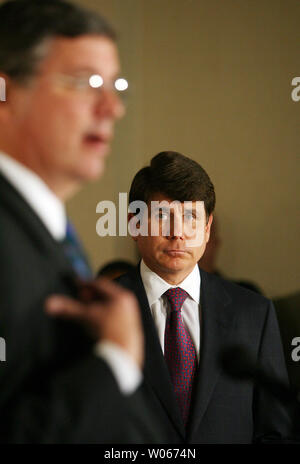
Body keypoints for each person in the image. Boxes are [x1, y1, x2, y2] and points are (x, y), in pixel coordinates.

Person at [0, 0, 158, 444]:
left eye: (116, 87)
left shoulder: (45, 230)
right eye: (87, 82)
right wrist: (116, 360)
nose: (113, 109)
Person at [117, 151, 294, 443]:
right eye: (162, 216)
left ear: (208, 228)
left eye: (190, 218)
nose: (178, 234)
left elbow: (275, 430)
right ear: (134, 224)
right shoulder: (97, 312)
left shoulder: (254, 314)